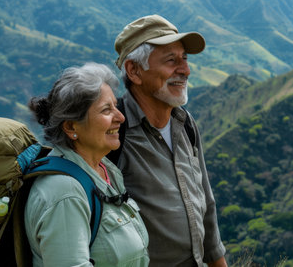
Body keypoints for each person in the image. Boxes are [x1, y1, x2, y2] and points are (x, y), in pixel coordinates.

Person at [112, 15, 228, 266]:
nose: (185, 70)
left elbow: (206, 203)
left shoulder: (184, 123)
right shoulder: (114, 133)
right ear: (134, 71)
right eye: (171, 60)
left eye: (184, 58)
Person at [25, 63, 150, 267]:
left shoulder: (105, 170)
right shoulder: (64, 193)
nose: (120, 117)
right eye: (106, 110)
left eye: (115, 106)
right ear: (71, 126)